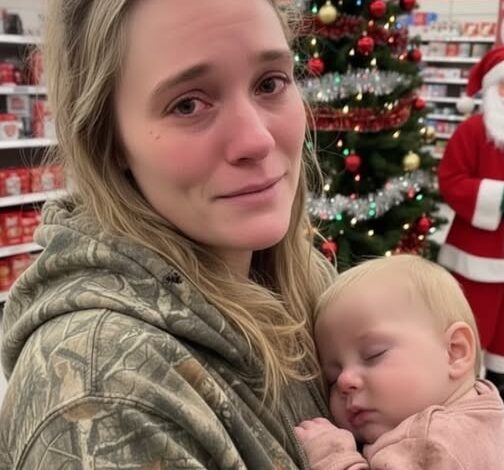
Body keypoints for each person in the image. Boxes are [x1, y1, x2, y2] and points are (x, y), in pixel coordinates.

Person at [0, 0, 336, 468]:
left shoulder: (300, 277)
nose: (257, 139)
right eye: (188, 104)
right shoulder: (105, 397)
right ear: (108, 139)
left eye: (270, 83)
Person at [295, 255, 504, 470]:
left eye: (374, 354)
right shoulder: (484, 414)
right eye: (332, 379)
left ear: (454, 352)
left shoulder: (433, 442)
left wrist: (331, 455)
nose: (344, 381)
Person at [438, 45, 504, 414]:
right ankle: (464, 385)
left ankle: (501, 381)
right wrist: (503, 196)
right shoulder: (472, 131)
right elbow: (451, 180)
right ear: (492, 89)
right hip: (479, 250)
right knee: (475, 321)